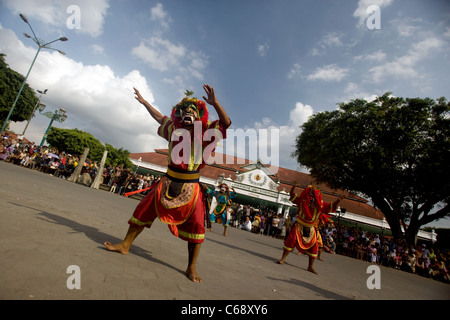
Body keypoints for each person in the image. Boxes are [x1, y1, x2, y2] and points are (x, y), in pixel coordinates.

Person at [104, 85, 231, 283]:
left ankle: (191, 267)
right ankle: (125, 245)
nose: (188, 114)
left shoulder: (205, 132)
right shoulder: (173, 129)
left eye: (192, 111)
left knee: (197, 226)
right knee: (142, 210)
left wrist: (215, 103)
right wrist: (145, 102)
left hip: (191, 186)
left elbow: (226, 123)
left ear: (199, 115)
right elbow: (159, 117)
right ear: (180, 114)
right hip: (167, 180)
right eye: (184, 111)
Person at [276, 183, 344, 274]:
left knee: (314, 246)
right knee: (291, 240)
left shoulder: (320, 205)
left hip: (311, 228)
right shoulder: (302, 200)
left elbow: (331, 206)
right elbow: (292, 196)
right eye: (311, 195)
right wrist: (293, 188)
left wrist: (338, 200)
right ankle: (282, 259)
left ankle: (310, 267)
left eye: (314, 195)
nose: (312, 197)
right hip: (299, 225)